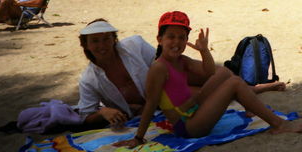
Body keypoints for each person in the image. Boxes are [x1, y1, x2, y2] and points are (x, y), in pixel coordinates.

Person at [115, 11, 302, 147]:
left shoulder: (182, 61)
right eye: (170, 37)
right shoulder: (159, 68)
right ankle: (279, 124)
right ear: (159, 39)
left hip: (194, 110)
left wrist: (204, 51)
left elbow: (209, 72)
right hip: (188, 126)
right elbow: (150, 104)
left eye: (182, 38)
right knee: (235, 82)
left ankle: (249, 104)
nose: (176, 43)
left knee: (224, 72)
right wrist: (139, 138)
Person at [77, 18, 285, 129]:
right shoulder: (89, 80)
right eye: (95, 41)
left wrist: (194, 59)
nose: (102, 45)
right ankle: (255, 92)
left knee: (219, 74)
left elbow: (163, 61)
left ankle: (255, 90)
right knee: (213, 89)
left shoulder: (133, 45)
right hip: (160, 100)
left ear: (113, 39)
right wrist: (104, 112)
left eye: (106, 39)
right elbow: (86, 116)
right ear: (85, 45)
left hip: (166, 82)